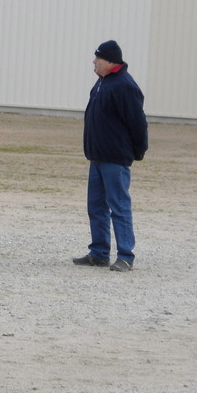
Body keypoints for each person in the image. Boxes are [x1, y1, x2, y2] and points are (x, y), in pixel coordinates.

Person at [73, 40, 148, 272]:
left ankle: (125, 256)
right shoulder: (102, 83)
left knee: (119, 207)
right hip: (97, 157)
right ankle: (99, 253)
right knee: (95, 207)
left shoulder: (124, 86)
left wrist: (138, 150)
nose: (94, 62)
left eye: (98, 59)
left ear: (110, 61)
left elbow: (137, 123)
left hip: (115, 158)